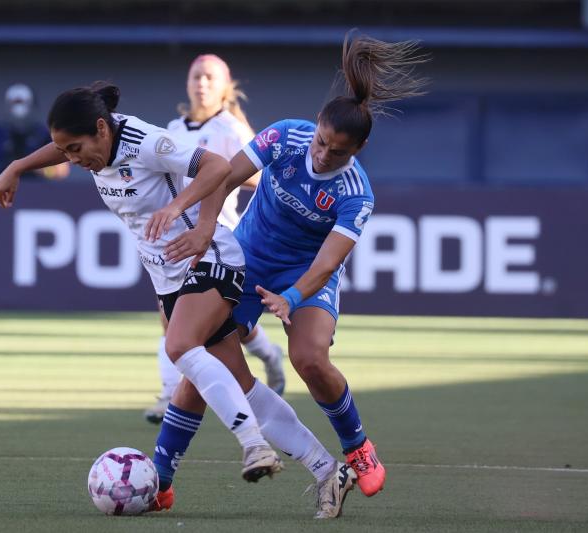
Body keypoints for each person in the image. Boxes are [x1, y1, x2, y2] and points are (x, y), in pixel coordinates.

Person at [0, 82, 355, 519]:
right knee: (238, 383)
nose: (72, 159)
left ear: (102, 129)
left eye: (76, 148)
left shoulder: (146, 141)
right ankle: (327, 470)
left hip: (210, 256)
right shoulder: (87, 144)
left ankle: (253, 446)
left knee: (179, 347)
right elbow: (58, 147)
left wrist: (191, 217)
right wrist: (17, 166)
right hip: (168, 275)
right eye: (64, 150)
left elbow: (217, 166)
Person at [163, 33, 429, 499]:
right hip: (244, 258)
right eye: (323, 141)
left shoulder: (356, 195)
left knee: (308, 358)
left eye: (338, 151)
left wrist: (291, 298)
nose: (323, 154)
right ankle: (161, 481)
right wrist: (207, 228)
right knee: (196, 362)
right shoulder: (287, 135)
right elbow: (224, 178)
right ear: (317, 125)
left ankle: (358, 447)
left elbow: (328, 263)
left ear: (357, 151)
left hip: (304, 274)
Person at [144, 54, 286, 425]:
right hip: (176, 240)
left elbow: (263, 175)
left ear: (225, 86)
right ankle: (167, 392)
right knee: (170, 317)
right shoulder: (172, 128)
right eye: (196, 77)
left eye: (209, 77)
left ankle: (269, 356)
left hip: (219, 239)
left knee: (225, 326)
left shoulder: (231, 129)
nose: (201, 84)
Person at [0, 83, 69, 180]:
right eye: (15, 102)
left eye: (22, 102)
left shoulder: (43, 133)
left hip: (37, 188)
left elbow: (61, 170)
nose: (18, 107)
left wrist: (41, 170)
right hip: (4, 188)